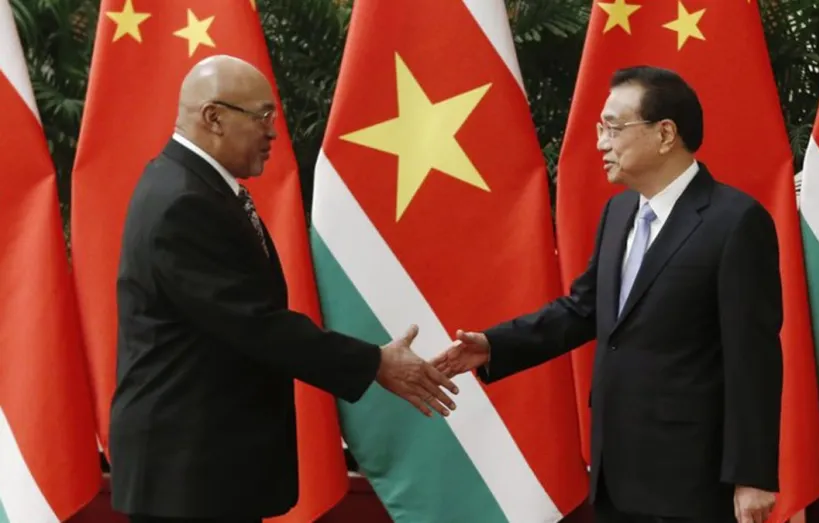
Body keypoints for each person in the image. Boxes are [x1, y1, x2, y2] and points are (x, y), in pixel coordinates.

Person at [109, 55, 458, 523]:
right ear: (214, 117)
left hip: (206, 467)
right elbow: (254, 324)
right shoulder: (183, 201)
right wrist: (374, 362)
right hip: (187, 472)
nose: (273, 132)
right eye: (262, 116)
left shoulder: (192, 184)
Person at [432, 66, 783, 523]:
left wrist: (752, 475)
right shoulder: (618, 213)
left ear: (665, 134)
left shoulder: (734, 221)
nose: (601, 143)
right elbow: (584, 309)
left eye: (613, 128)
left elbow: (753, 358)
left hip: (692, 477)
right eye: (601, 129)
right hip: (616, 470)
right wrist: (495, 345)